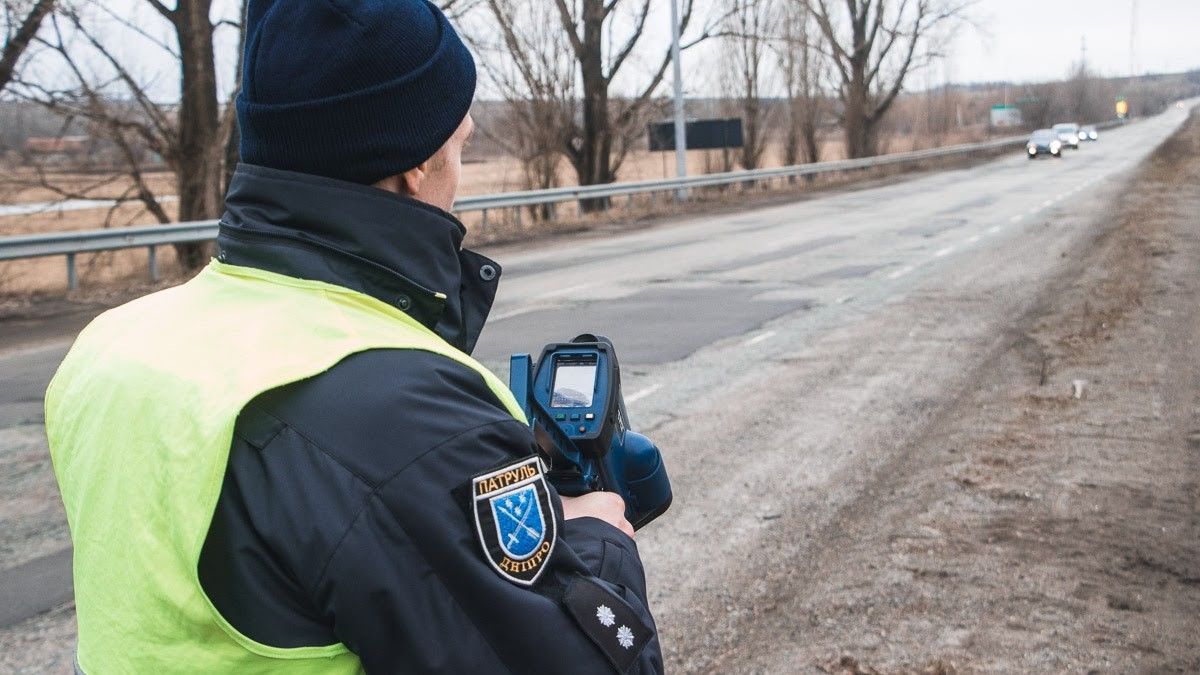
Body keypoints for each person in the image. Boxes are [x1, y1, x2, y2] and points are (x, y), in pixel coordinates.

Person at [44, 0, 662, 672]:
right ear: (417, 165)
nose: (459, 171)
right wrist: (599, 536)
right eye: (461, 145)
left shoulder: (109, 347)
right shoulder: (403, 409)